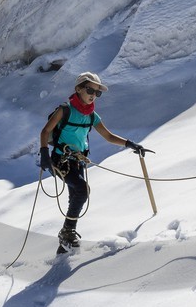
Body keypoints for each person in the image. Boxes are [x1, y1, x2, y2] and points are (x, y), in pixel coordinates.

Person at [38, 71, 149, 251]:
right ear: (79, 89)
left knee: (75, 195)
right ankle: (67, 232)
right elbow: (45, 131)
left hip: (78, 161)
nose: (93, 96)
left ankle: (65, 243)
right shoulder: (65, 110)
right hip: (61, 160)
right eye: (90, 90)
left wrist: (130, 144)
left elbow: (108, 136)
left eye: (97, 93)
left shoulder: (91, 116)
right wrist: (44, 154)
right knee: (82, 190)